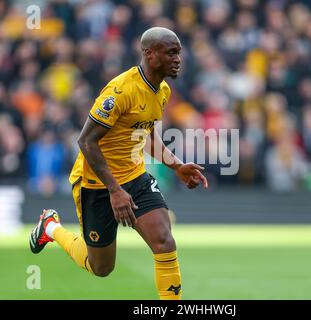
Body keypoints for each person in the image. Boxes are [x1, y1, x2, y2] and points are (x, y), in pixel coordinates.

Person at [29, 27, 208, 300]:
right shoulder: (120, 91)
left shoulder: (162, 91)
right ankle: (50, 227)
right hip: (97, 184)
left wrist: (177, 166)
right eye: (171, 53)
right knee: (101, 267)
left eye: (179, 53)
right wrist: (114, 190)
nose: (178, 59)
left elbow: (146, 135)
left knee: (164, 240)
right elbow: (86, 141)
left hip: (135, 177)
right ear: (150, 54)